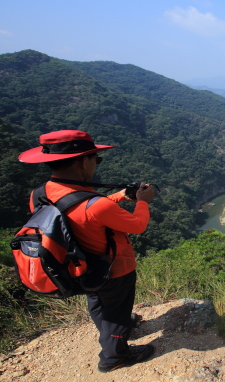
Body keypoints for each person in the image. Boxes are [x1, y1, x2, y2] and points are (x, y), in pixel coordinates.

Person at [19, 129, 156, 373]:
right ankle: (115, 356)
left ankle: (107, 331)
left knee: (96, 300)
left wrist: (119, 197)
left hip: (79, 266)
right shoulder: (96, 204)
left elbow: (76, 212)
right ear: (84, 161)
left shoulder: (39, 193)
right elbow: (138, 226)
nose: (95, 164)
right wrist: (143, 200)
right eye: (96, 159)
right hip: (114, 268)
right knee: (117, 310)